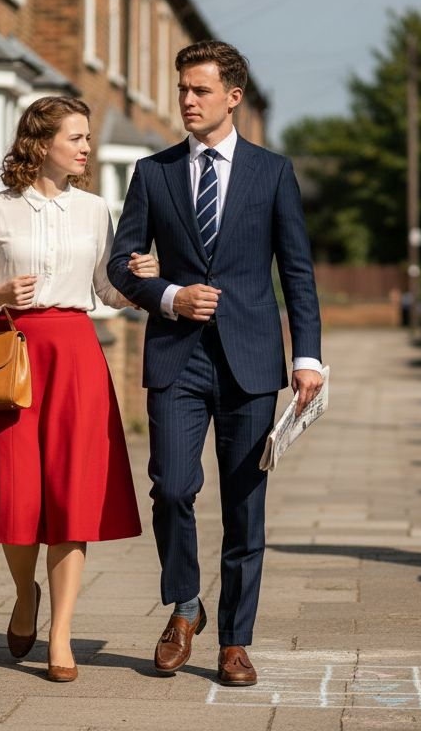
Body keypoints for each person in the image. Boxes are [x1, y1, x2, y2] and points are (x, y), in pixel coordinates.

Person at [0, 96, 157, 683]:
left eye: (88, 137)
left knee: (72, 498)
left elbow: (106, 289)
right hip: (14, 357)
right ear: (41, 143)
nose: (86, 147)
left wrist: (141, 280)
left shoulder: (95, 210)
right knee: (18, 496)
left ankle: (61, 633)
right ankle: (26, 594)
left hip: (75, 356)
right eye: (76, 137)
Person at [106, 41, 323, 688]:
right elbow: (121, 263)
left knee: (244, 506)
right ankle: (184, 606)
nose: (187, 100)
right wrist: (170, 295)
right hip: (176, 358)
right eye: (182, 89)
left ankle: (234, 641)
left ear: (233, 96)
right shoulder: (153, 173)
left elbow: (298, 272)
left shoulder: (272, 172)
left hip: (250, 363)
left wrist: (308, 357)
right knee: (172, 488)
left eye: (199, 90)